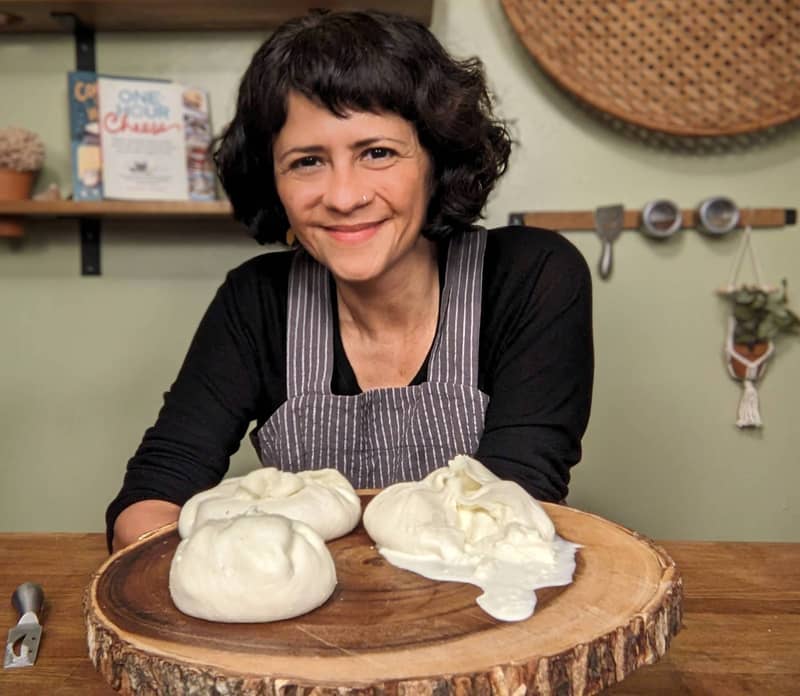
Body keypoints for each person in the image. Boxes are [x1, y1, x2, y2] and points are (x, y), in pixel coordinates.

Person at [107, 9, 593, 551]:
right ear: (273, 181)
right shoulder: (256, 303)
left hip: (482, 608)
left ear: (436, 159)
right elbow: (152, 497)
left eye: (377, 153)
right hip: (308, 631)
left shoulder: (530, 277)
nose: (343, 196)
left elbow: (515, 502)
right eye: (307, 162)